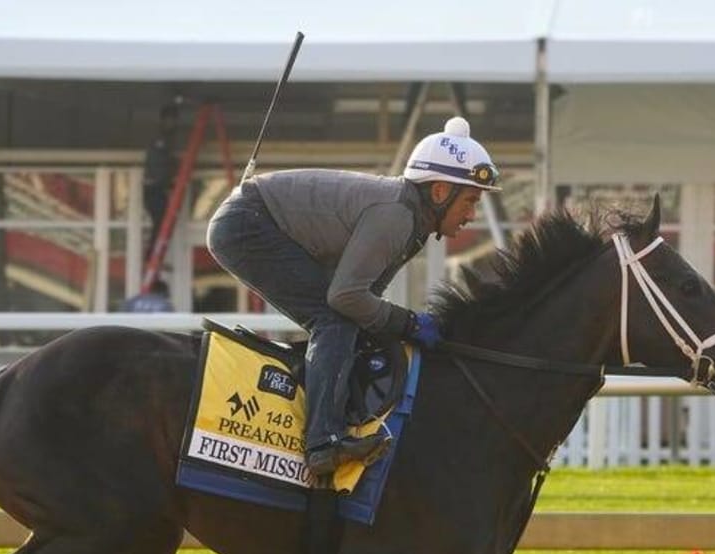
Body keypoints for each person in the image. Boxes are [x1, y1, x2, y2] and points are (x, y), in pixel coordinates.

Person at [206, 116, 499, 479]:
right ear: (440, 192)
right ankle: (322, 444)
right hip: (245, 224)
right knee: (334, 318)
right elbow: (346, 297)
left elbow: (366, 301)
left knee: (347, 323)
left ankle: (324, 418)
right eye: (470, 201)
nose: (472, 215)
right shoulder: (397, 216)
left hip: (252, 216)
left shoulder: (413, 221)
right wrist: (407, 322)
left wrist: (393, 325)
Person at [142, 104, 179, 237]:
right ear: (163, 119)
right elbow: (158, 163)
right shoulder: (159, 139)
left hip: (159, 187)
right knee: (159, 220)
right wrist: (167, 180)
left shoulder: (168, 138)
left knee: (162, 220)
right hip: (154, 188)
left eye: (174, 120)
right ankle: (152, 252)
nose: (172, 123)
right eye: (170, 120)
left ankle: (153, 250)